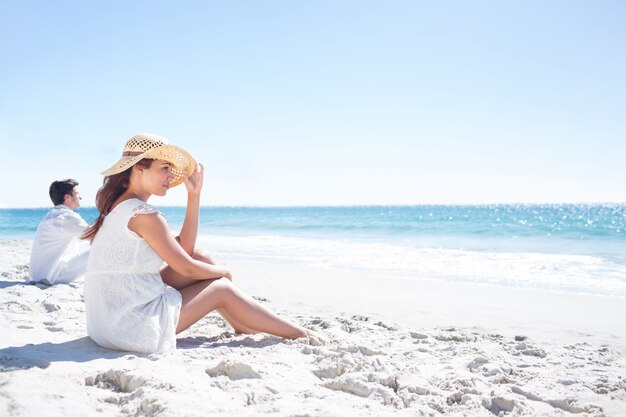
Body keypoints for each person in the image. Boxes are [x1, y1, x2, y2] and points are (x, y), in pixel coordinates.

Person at [82, 133, 310, 353]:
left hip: (106, 324)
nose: (170, 176)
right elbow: (186, 268)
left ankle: (243, 323)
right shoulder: (142, 214)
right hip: (129, 330)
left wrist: (194, 195)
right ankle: (300, 333)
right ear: (139, 168)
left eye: (171, 170)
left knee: (202, 258)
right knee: (221, 287)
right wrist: (224, 272)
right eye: (164, 169)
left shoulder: (119, 207)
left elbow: (186, 252)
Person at [29, 179, 90, 285]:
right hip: (53, 276)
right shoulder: (66, 217)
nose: (80, 197)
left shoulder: (52, 215)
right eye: (78, 194)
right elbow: (96, 235)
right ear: (67, 197)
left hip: (40, 274)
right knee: (102, 244)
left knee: (89, 243)